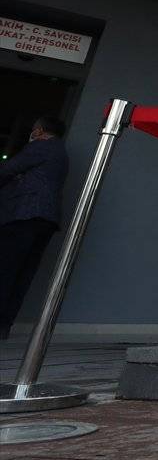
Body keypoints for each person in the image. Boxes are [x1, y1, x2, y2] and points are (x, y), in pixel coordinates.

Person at [0, 115, 69, 340]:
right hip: (46, 219)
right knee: (23, 272)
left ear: (39, 131)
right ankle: (4, 324)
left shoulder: (41, 147)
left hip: (25, 214)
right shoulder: (61, 152)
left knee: (7, 268)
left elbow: (9, 168)